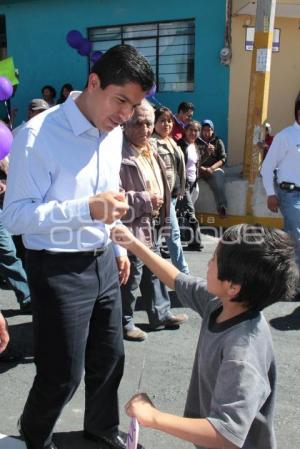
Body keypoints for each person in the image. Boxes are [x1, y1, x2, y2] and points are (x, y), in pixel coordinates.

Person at [2, 44, 154, 449]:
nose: (125, 114)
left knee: (110, 357)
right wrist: (85, 208)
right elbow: (15, 216)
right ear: (93, 82)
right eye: (120, 99)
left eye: (134, 105)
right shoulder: (36, 136)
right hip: (57, 267)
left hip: (103, 260)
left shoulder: (112, 131)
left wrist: (117, 248)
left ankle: (101, 430)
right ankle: (35, 438)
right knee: (61, 371)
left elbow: (108, 197)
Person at [111, 223, 299, 449]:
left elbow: (225, 435)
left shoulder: (242, 354)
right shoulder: (220, 304)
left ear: (233, 287)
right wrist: (132, 243)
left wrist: (152, 416)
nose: (208, 263)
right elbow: (177, 279)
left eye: (214, 260)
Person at [120, 100, 188, 341]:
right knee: (131, 276)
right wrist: (146, 200)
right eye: (138, 123)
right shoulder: (118, 153)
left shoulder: (150, 148)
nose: (145, 129)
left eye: (149, 123)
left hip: (152, 222)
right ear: (125, 124)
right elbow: (115, 198)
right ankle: (123, 322)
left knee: (154, 270)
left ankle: (160, 314)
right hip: (131, 226)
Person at [261, 98, 300, 298]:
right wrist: (270, 193)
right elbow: (266, 167)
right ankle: (294, 285)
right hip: (291, 195)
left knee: (291, 241)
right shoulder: (285, 136)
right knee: (296, 238)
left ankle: (282, 280)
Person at [152, 106, 189, 274]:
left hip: (173, 196)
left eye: (169, 121)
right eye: (162, 121)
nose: (166, 124)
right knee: (173, 236)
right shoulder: (152, 142)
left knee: (156, 240)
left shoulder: (171, 141)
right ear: (154, 123)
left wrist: (181, 190)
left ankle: (155, 274)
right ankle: (184, 277)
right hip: (162, 199)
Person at [0, 157, 31, 313]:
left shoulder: (9, 147)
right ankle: (27, 299)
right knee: (8, 252)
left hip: (11, 203)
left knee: (21, 247)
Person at [177, 121, 203, 251]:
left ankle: (183, 237)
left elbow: (195, 164)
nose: (193, 133)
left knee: (183, 212)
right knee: (190, 212)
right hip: (183, 184)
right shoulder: (180, 145)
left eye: (196, 131)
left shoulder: (195, 146)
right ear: (185, 130)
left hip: (194, 183)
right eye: (190, 130)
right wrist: (181, 184)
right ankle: (196, 242)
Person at [198, 119, 228, 218]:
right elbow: (194, 160)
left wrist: (211, 168)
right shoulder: (196, 141)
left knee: (218, 181)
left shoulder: (218, 141)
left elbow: (223, 159)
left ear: (212, 130)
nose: (206, 132)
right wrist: (202, 168)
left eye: (209, 130)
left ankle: (222, 207)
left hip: (213, 168)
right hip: (199, 168)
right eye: (204, 130)